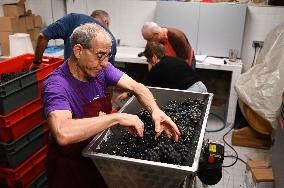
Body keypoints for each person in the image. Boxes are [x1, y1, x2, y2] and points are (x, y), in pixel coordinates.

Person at [42, 23, 180, 188]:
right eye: (100, 55)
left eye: (108, 55)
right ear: (78, 51)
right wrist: (116, 118)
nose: (106, 63)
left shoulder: (102, 70)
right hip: (70, 167)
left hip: (97, 158)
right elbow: (63, 131)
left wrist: (155, 110)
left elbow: (137, 87)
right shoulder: (56, 84)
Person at [116, 42, 206, 101]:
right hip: (201, 87)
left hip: (191, 92)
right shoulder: (174, 59)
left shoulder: (158, 67)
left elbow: (144, 86)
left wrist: (128, 94)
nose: (149, 63)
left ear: (154, 57)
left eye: (149, 60)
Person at [30, 10, 116, 70]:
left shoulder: (73, 19)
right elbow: (110, 76)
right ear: (106, 22)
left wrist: (36, 63)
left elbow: (42, 37)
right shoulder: (111, 39)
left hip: (69, 83)